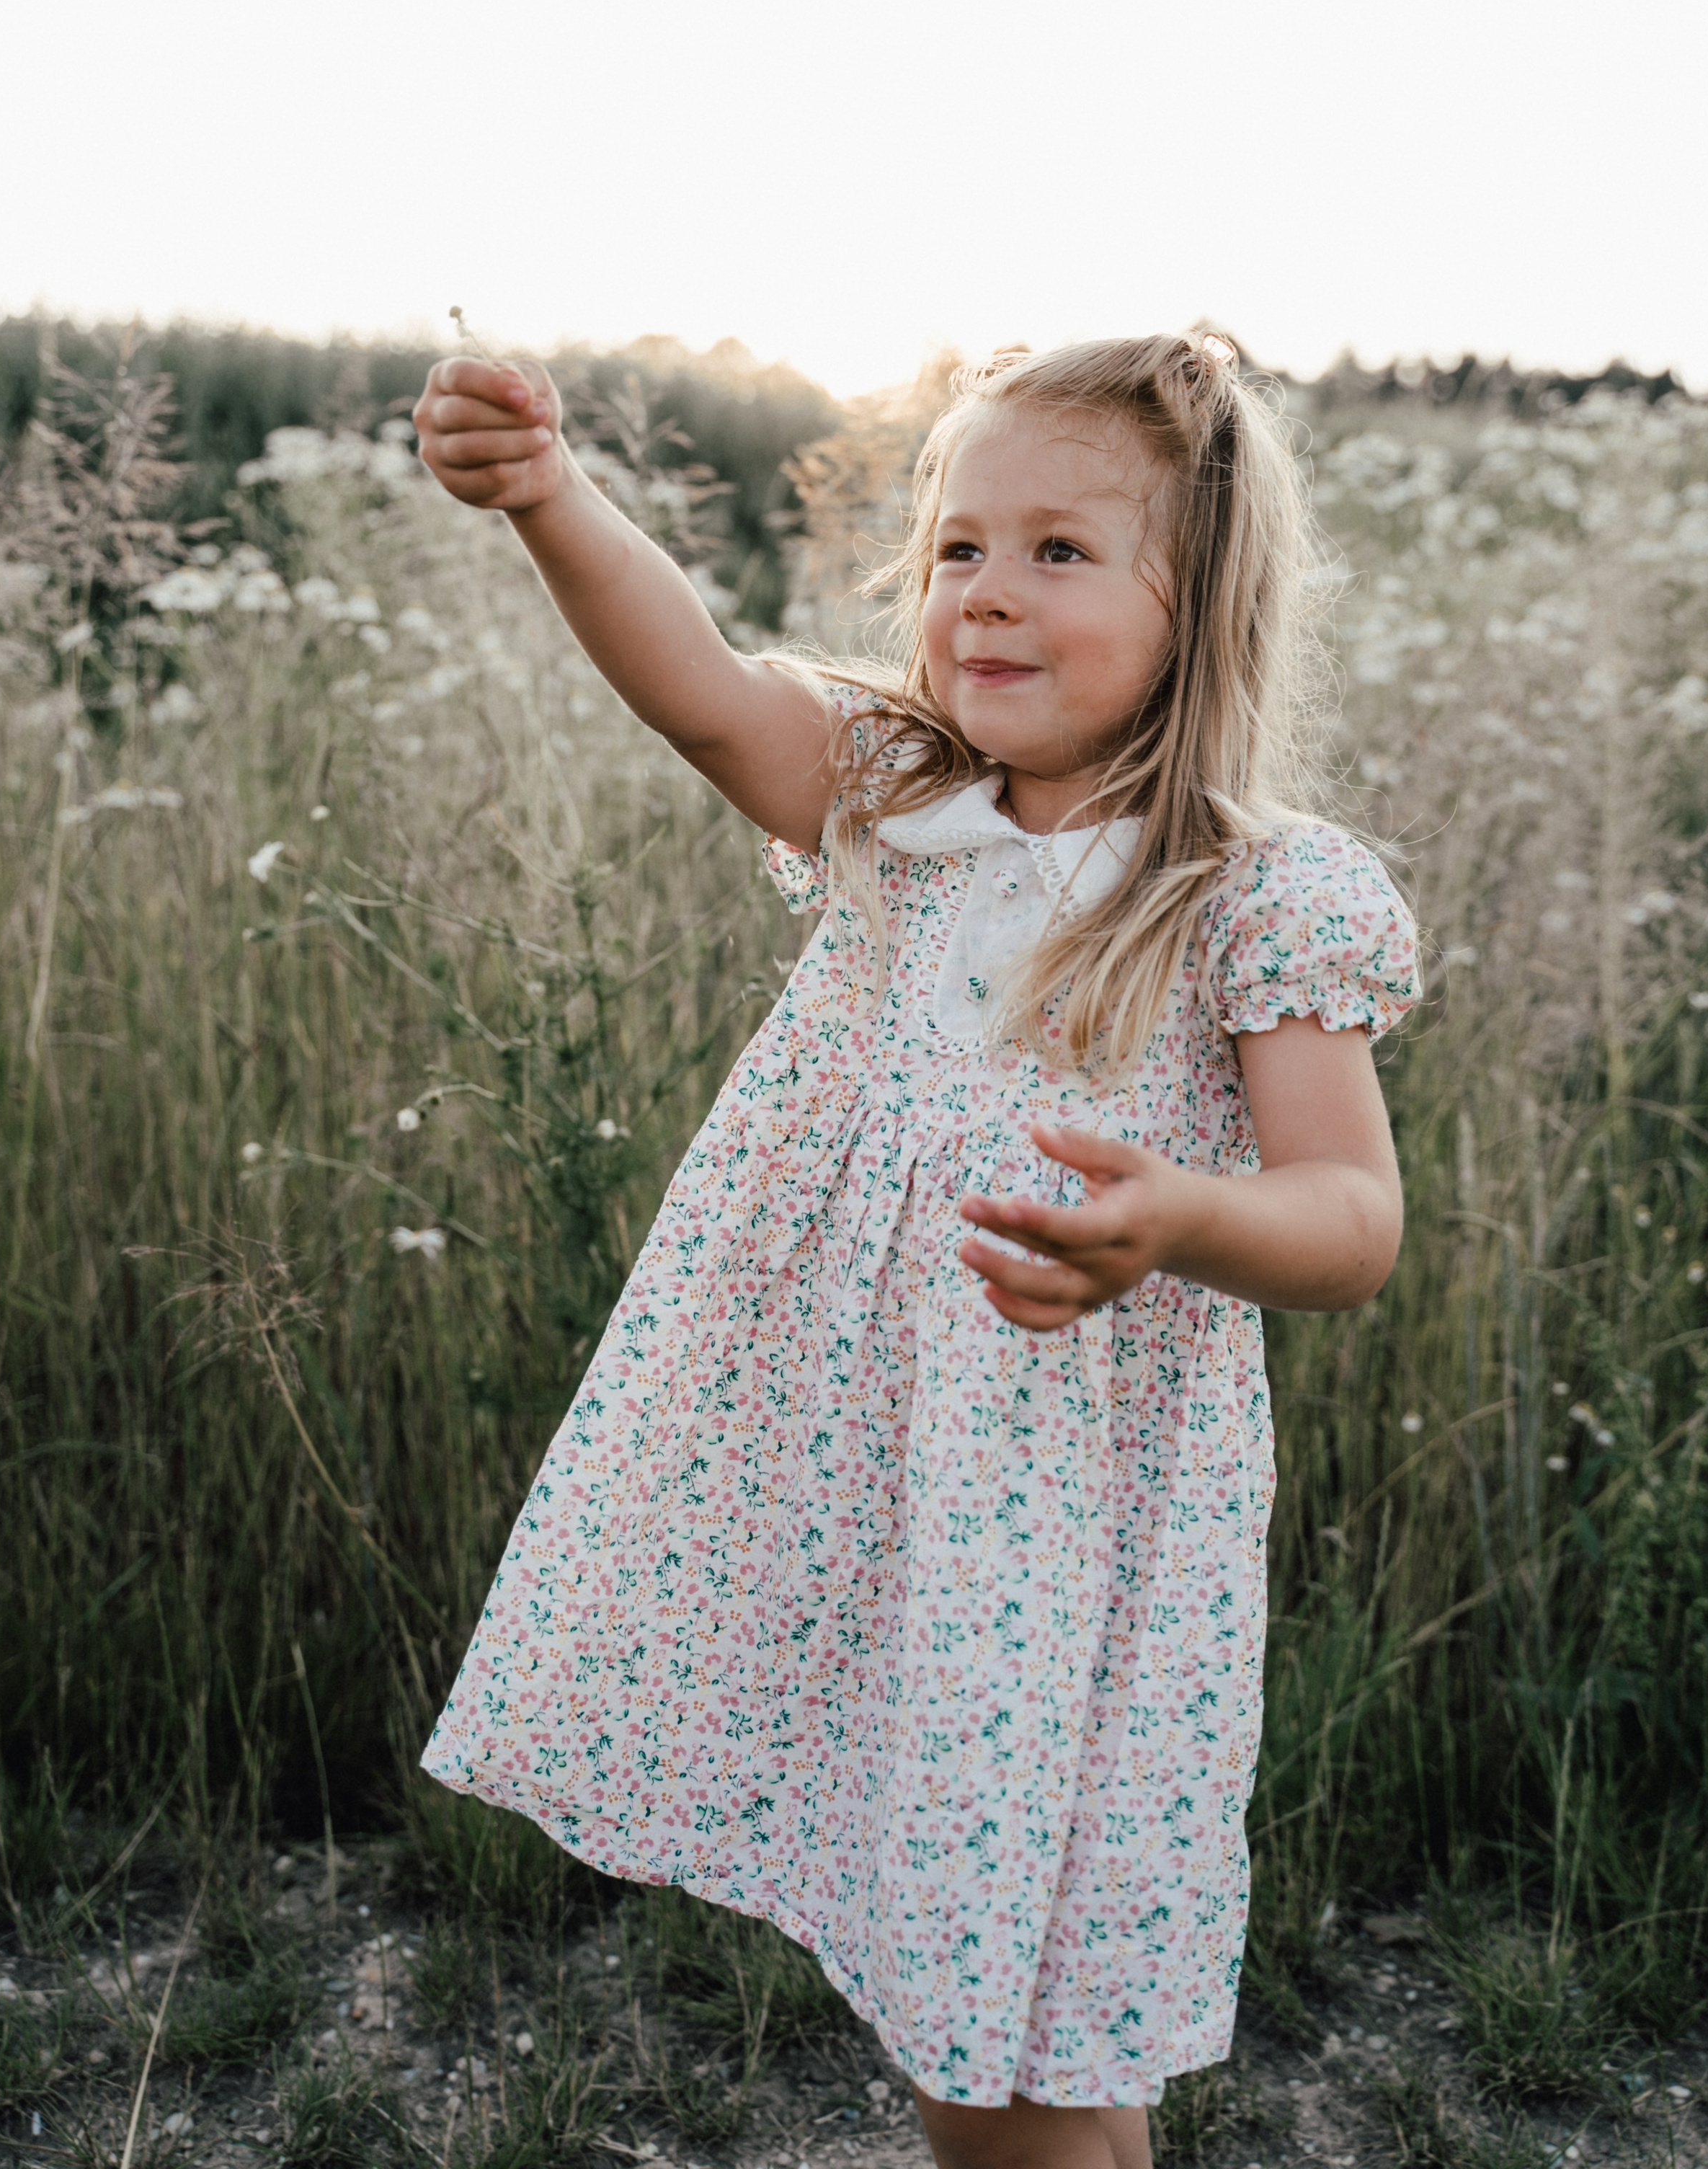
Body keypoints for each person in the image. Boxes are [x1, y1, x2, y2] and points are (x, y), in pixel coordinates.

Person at [413, 329, 1419, 2169]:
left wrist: (1177, 1220)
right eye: (959, 548)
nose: (986, 596)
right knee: (992, 2020)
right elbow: (706, 691)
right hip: (860, 1501)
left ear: (1197, 609)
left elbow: (1349, 1221)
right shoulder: (899, 804)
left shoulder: (1254, 892)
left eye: (1059, 552)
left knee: (1013, 2051)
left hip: (1059, 1546)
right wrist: (550, 497)